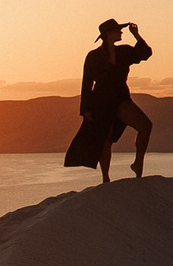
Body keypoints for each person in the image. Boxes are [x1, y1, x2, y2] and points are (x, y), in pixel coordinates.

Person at [63, 18, 153, 181]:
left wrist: (137, 35)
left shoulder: (123, 52)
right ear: (109, 34)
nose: (121, 32)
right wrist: (85, 109)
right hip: (101, 101)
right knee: (106, 137)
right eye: (118, 30)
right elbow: (87, 83)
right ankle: (105, 178)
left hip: (121, 98)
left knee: (145, 126)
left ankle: (138, 162)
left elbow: (145, 53)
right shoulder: (93, 56)